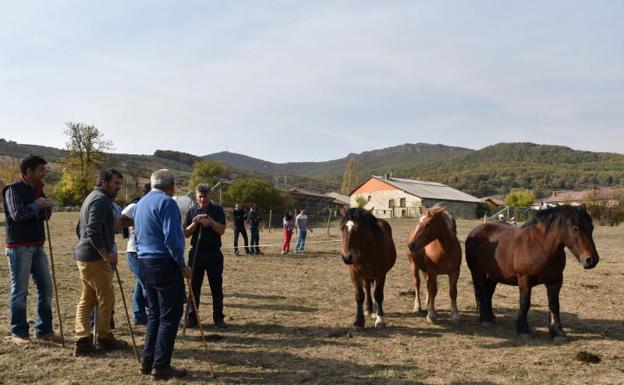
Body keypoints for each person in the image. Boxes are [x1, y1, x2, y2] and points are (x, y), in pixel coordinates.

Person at [135, 169, 191, 380]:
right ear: (172, 187)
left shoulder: (141, 203)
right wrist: (181, 264)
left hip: (145, 262)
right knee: (170, 315)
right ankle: (161, 366)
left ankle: (147, 361)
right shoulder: (167, 203)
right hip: (164, 263)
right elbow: (173, 238)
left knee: (155, 314)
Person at [2, 155, 57, 345]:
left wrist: (46, 208)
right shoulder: (13, 190)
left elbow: (42, 217)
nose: (44, 173)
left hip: (37, 245)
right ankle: (19, 332)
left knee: (46, 287)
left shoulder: (38, 190)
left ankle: (44, 329)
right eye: (41, 170)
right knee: (20, 290)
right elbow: (17, 215)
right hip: (18, 248)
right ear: (28, 171)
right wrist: (37, 205)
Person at [74, 169, 126, 356]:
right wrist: (105, 254)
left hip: (84, 255)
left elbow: (79, 229)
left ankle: (83, 340)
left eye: (119, 184)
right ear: (104, 182)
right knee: (107, 297)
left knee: (87, 298)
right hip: (94, 258)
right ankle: (104, 338)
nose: (118, 188)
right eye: (115, 183)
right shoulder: (101, 200)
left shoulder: (91, 196)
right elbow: (92, 230)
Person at [184, 183, 227, 329]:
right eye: (200, 197)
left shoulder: (218, 210)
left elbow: (221, 230)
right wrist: (195, 223)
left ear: (210, 196)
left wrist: (211, 222)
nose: (203, 200)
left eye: (205, 196)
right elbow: (186, 233)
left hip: (213, 252)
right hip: (196, 253)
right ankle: (192, 318)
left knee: (216, 286)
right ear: (196, 197)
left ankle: (218, 318)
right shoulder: (191, 211)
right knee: (194, 286)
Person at [120, 183, 151, 325]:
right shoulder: (135, 206)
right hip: (134, 252)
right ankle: (153, 312)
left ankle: (139, 316)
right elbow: (120, 220)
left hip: (146, 251)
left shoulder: (151, 206)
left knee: (141, 283)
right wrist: (138, 222)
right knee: (147, 283)